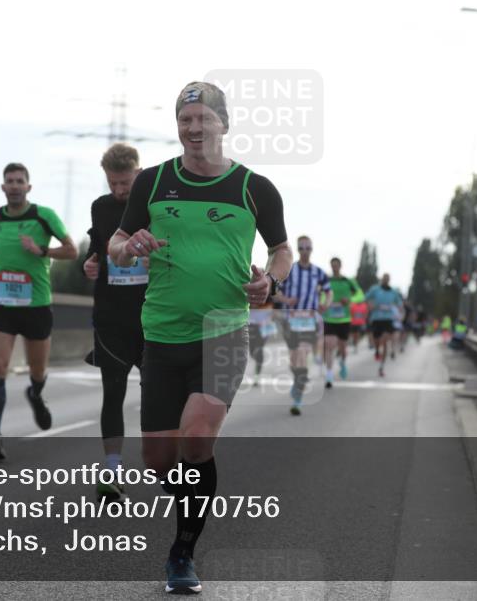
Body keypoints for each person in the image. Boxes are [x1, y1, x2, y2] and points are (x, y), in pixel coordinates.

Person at [108, 81, 291, 594]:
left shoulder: (255, 187)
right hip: (162, 333)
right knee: (159, 460)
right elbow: (117, 242)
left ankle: (183, 551)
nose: (194, 128)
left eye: (204, 119)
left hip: (224, 331)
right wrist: (130, 245)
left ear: (223, 124)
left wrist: (271, 281)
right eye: (185, 120)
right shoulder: (152, 181)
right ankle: (195, 500)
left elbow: (281, 250)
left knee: (196, 437)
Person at [0, 163, 77, 461]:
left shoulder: (44, 216)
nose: (14, 186)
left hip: (37, 305)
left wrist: (42, 251)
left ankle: (36, 393)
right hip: (2, 303)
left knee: (38, 371)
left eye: (19, 181)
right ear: (2, 187)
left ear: (28, 187)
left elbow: (72, 250)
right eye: (9, 181)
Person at [82, 143, 147, 499]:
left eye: (125, 183)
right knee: (113, 395)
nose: (120, 191)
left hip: (152, 317)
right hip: (111, 316)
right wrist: (90, 263)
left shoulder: (154, 206)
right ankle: (111, 472)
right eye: (113, 184)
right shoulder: (101, 207)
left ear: (138, 173)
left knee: (157, 399)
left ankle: (169, 464)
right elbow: (96, 248)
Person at [277, 236, 331, 415]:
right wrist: (286, 299)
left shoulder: (318, 272)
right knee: (294, 358)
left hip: (309, 320)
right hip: (290, 319)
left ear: (312, 249)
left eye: (308, 247)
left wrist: (326, 303)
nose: (305, 251)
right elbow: (274, 293)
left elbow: (328, 291)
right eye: (301, 248)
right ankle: (298, 378)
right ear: (298, 250)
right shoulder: (290, 271)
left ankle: (297, 399)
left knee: (302, 352)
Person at [323, 257, 358, 384]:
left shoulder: (348, 281)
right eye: (332, 265)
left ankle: (342, 362)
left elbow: (359, 295)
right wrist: (324, 303)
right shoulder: (326, 280)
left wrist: (348, 300)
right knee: (329, 344)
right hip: (329, 317)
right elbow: (321, 294)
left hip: (344, 318)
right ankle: (329, 374)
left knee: (342, 348)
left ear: (340, 266)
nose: (334, 267)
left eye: (336, 265)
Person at [365, 273, 401, 377]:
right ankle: (376, 350)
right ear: (381, 279)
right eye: (384, 278)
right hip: (376, 318)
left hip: (388, 319)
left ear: (389, 280)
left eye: (387, 279)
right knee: (377, 341)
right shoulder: (375, 289)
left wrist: (399, 312)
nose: (385, 280)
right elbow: (365, 298)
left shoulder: (393, 291)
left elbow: (399, 303)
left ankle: (381, 367)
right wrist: (369, 305)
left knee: (385, 342)